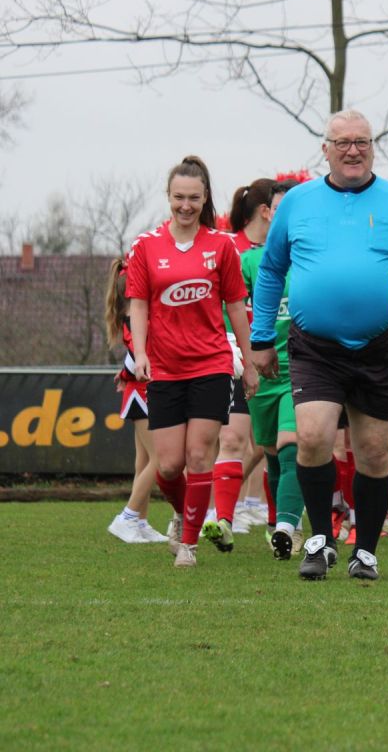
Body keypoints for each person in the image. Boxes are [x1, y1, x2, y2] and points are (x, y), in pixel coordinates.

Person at [250, 109, 388, 581]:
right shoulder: (297, 202)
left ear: (373, 146)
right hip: (315, 346)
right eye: (342, 143)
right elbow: (272, 269)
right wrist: (259, 338)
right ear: (326, 150)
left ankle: (367, 551)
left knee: (375, 451)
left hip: (379, 347)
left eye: (361, 142)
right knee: (313, 437)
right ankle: (319, 541)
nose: (352, 150)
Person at [126, 155, 259, 568]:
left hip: (211, 365)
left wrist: (249, 362)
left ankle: (188, 545)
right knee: (167, 466)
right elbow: (138, 304)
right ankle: (186, 514)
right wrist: (142, 353)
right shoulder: (146, 246)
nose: (186, 205)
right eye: (178, 197)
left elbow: (237, 308)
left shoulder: (221, 247)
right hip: (164, 368)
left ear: (205, 200)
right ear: (168, 197)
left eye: (194, 198)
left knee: (200, 457)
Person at [203, 177, 275, 552]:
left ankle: (268, 513)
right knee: (230, 438)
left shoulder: (281, 251)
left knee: (269, 443)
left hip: (276, 361)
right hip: (232, 355)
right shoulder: (229, 247)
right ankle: (217, 513)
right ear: (266, 211)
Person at [241, 178, 307, 560]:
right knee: (268, 450)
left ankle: (287, 526)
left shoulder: (313, 262)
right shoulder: (250, 262)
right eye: (280, 211)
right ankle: (281, 521)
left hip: (301, 369)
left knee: (289, 444)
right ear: (269, 214)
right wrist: (239, 352)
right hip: (261, 371)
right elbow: (229, 310)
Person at [104, 257, 170, 544]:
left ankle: (139, 521)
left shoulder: (133, 311)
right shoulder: (136, 313)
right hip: (143, 393)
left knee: (143, 458)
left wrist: (123, 374)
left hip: (139, 391)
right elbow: (136, 353)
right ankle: (128, 516)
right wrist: (125, 373)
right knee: (161, 457)